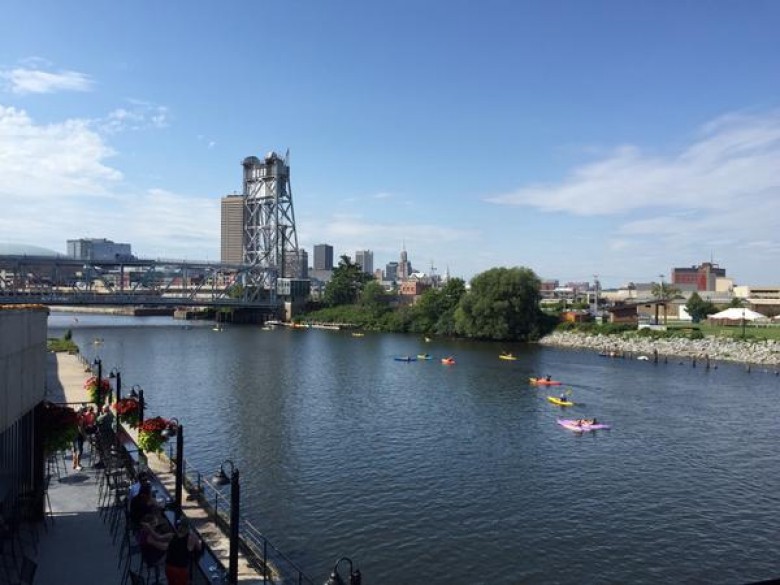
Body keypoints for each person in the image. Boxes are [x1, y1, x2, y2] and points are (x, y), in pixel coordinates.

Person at [165, 517, 202, 585]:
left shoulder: (171, 536)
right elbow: (199, 548)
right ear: (188, 528)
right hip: (181, 569)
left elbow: (158, 537)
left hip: (169, 567)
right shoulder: (192, 537)